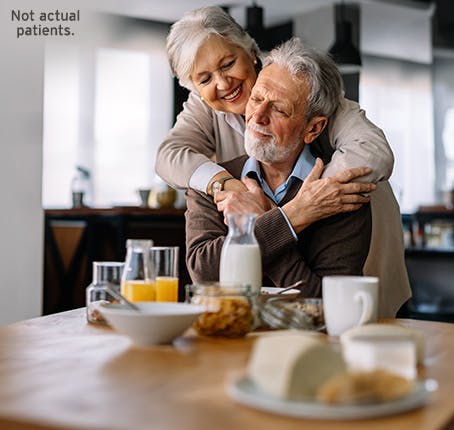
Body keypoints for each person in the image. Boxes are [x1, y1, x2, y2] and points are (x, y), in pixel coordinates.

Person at [156, 6, 410, 317]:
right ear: (194, 87)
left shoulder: (304, 85)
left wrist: (308, 202)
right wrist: (237, 190)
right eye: (205, 78)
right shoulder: (213, 152)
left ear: (250, 52)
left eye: (228, 64)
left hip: (351, 212)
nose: (222, 84)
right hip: (268, 301)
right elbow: (169, 156)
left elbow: (373, 151)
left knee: (359, 320)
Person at [185, 38, 370, 298]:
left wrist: (261, 223)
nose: (257, 116)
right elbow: (205, 275)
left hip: (307, 338)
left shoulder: (336, 195)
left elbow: (326, 303)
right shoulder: (214, 181)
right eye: (256, 98)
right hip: (229, 334)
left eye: (279, 109)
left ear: (313, 128)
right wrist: (291, 218)